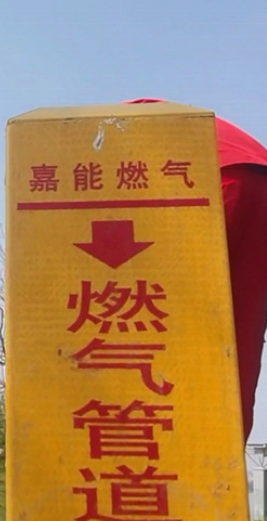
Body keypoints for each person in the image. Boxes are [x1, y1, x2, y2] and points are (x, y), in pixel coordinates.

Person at [127, 98, 267, 443]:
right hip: (256, 179)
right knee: (240, 336)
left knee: (141, 324)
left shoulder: (92, 136)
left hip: (209, 181)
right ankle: (217, 463)